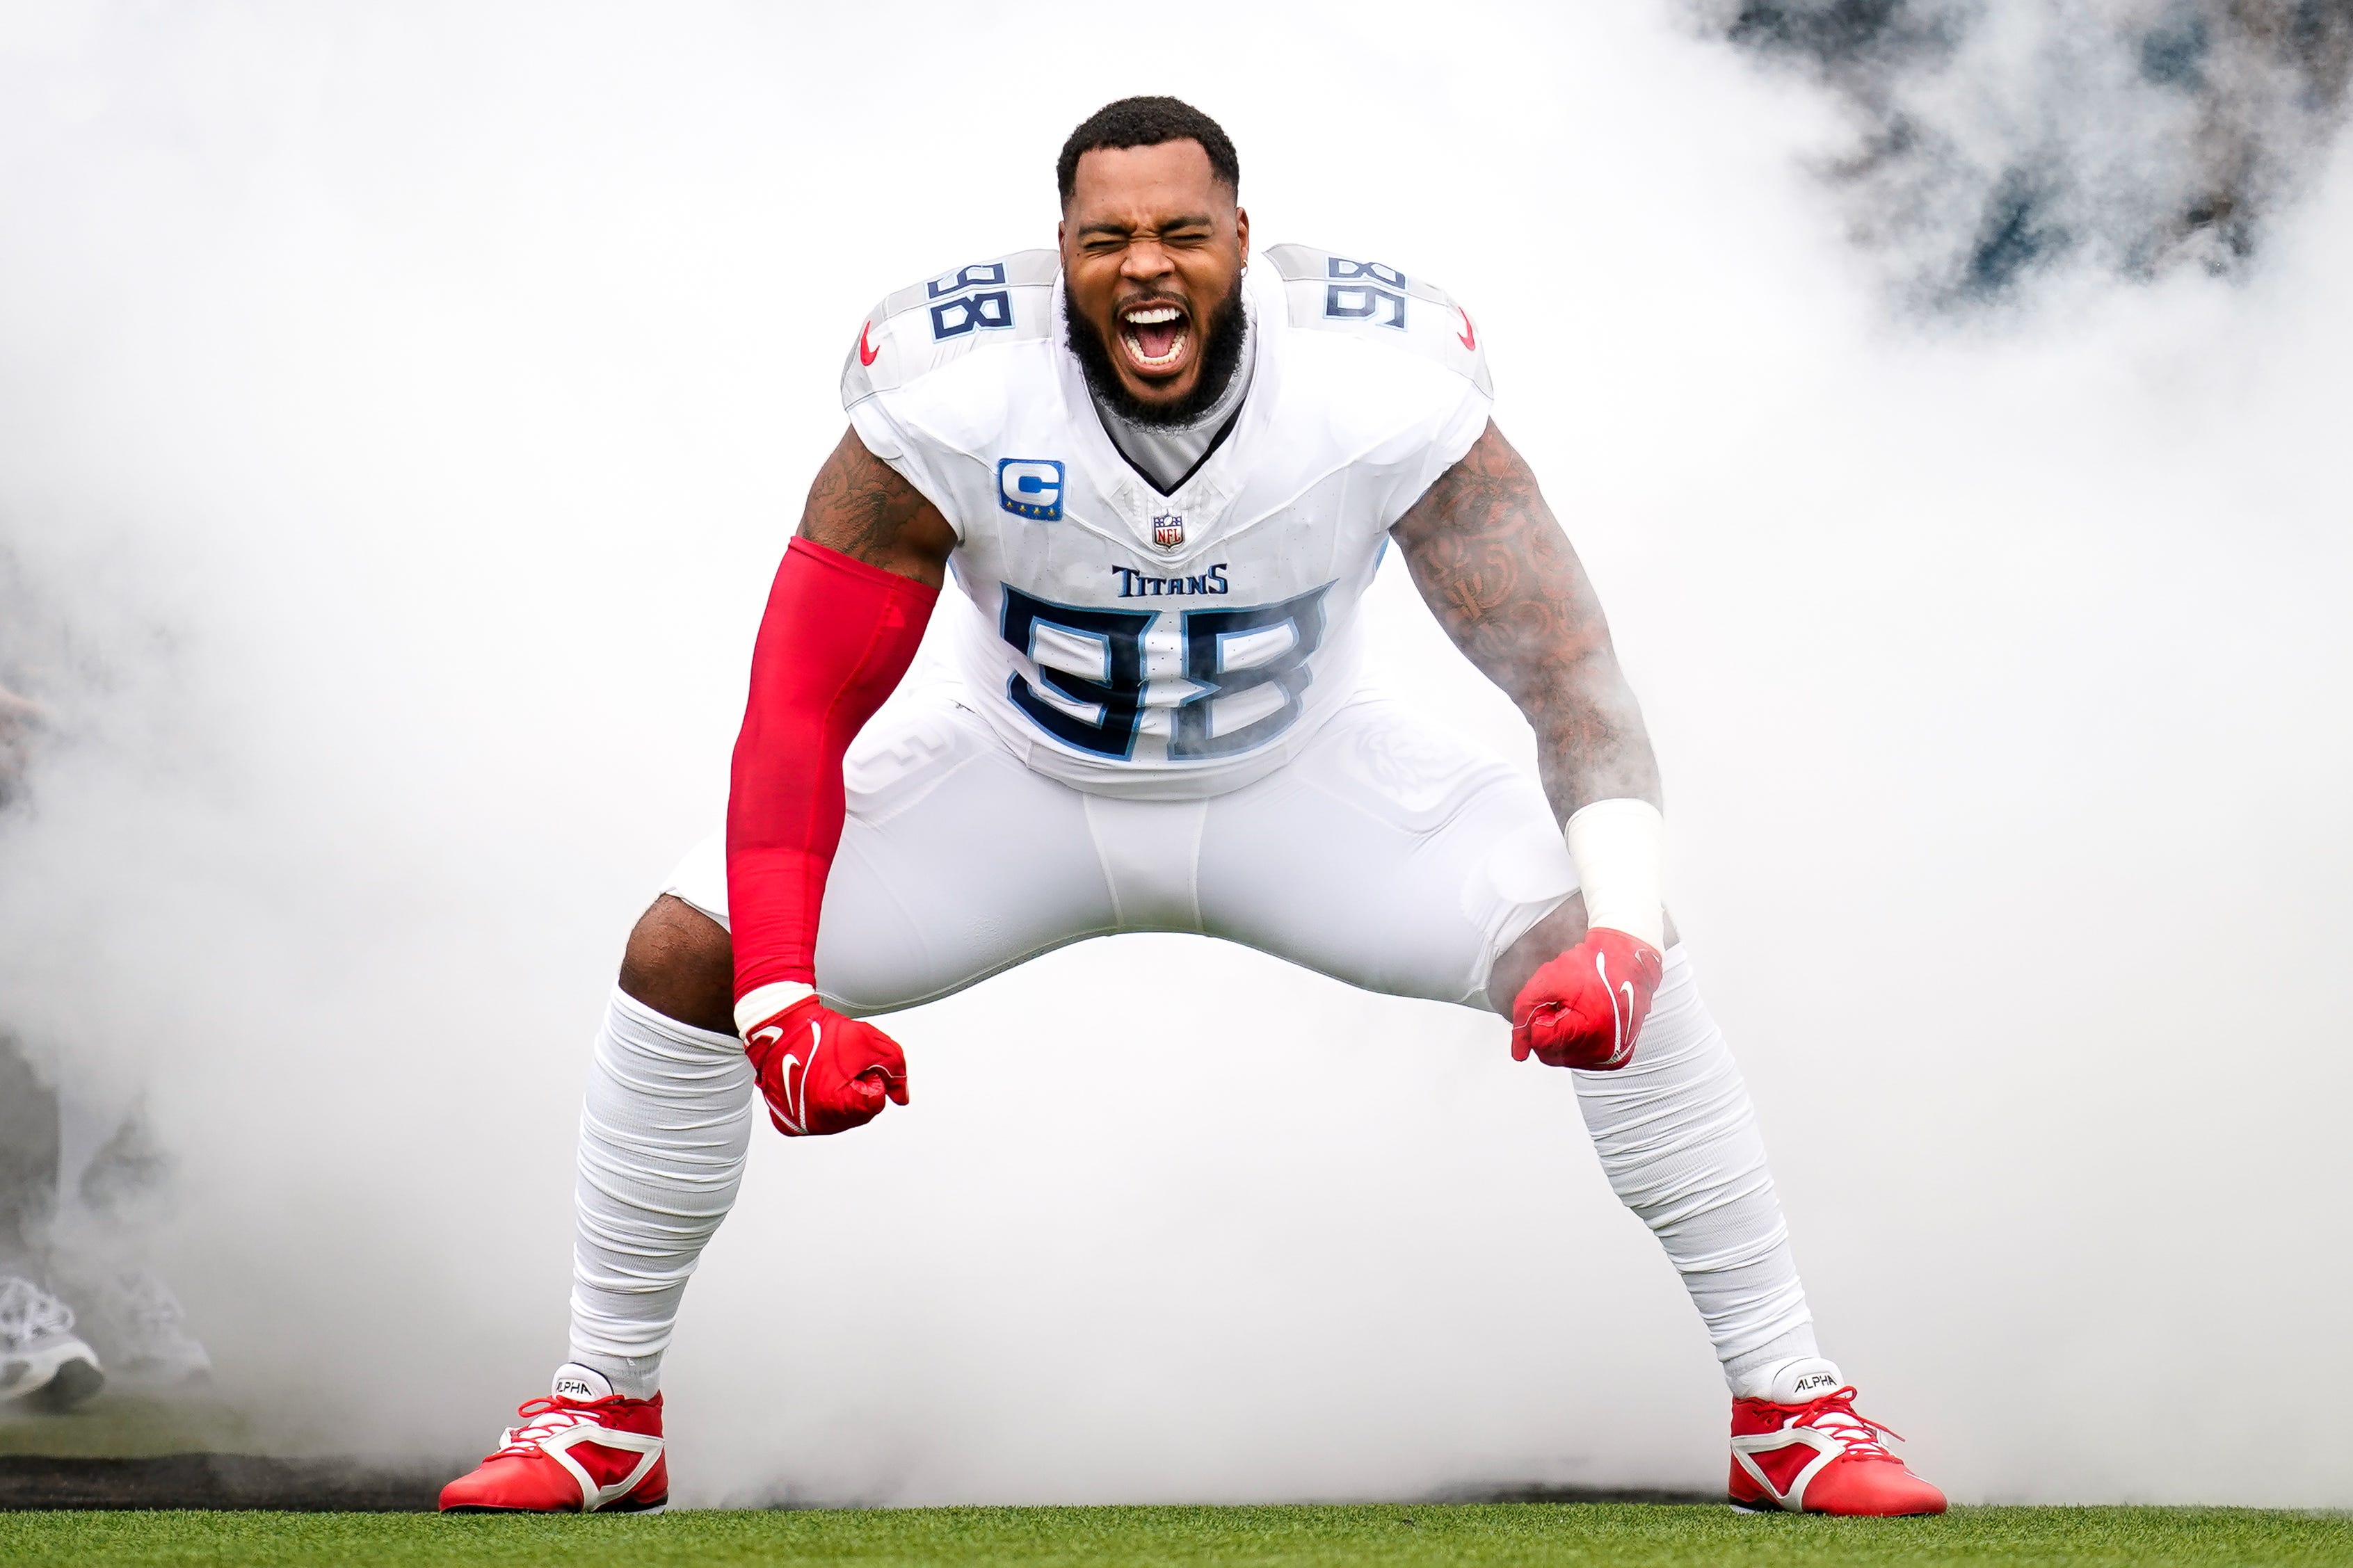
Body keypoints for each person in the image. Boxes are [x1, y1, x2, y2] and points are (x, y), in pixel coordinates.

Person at [440, 97, 1943, 1518]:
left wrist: (1614, 933)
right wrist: (780, 1001)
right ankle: (605, 1410)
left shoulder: (1382, 382)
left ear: (1241, 243)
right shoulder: (951, 390)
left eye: (1181, 234)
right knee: (686, 957)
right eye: (1107, 242)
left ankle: (1788, 1406)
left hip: (1305, 789)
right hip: (1016, 787)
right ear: (1063, 261)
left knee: (1628, 951)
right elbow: (798, 713)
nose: (1145, 268)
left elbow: (1570, 675)